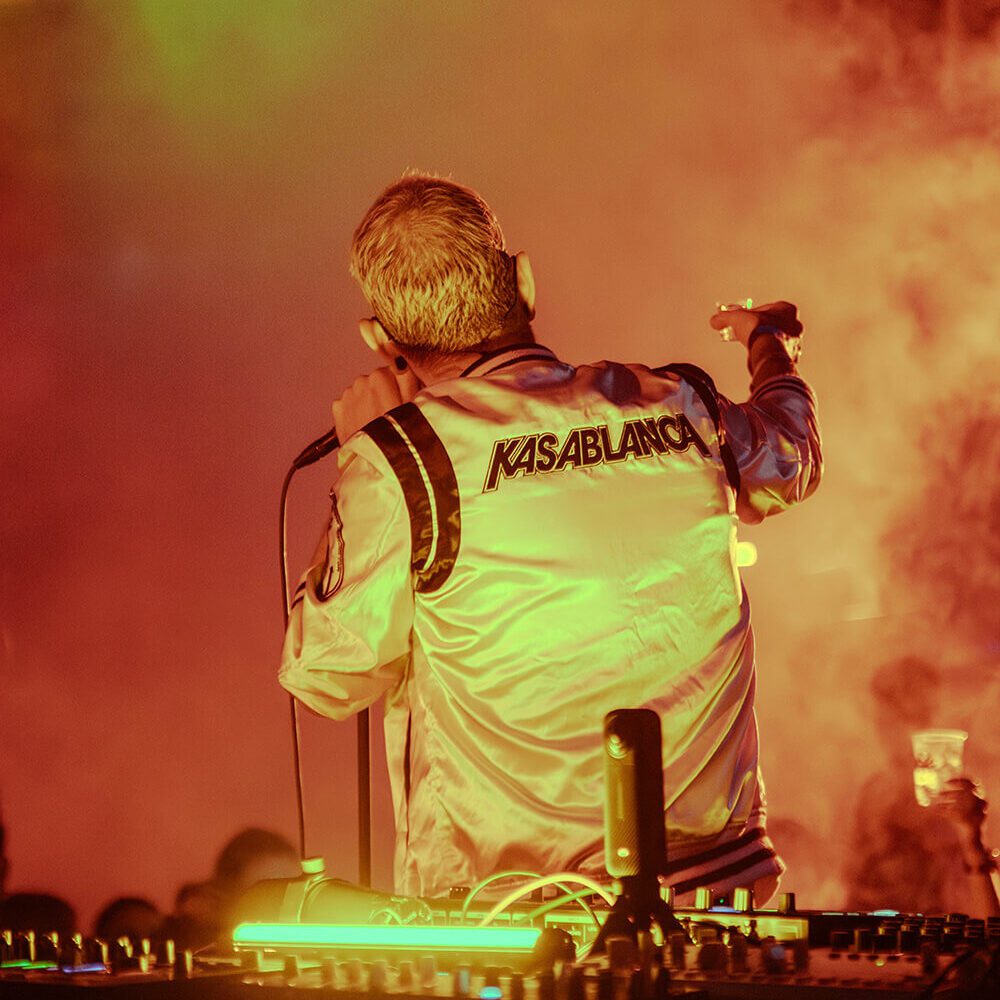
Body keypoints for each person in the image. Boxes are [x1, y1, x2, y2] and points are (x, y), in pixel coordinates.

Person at [280, 174, 822, 902]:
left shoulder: (406, 460)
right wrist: (770, 345)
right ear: (524, 282)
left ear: (380, 340)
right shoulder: (682, 403)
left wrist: (362, 454)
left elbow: (326, 674)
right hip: (719, 906)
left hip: (514, 925)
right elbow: (792, 455)